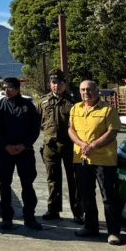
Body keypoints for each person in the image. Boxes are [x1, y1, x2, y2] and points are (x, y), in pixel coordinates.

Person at [69, 80, 123, 245]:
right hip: (81, 158)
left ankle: (113, 232)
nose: (86, 92)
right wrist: (81, 144)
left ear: (97, 91)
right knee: (86, 195)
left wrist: (93, 145)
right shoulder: (75, 108)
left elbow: (112, 132)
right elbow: (71, 129)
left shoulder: (108, 109)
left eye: (89, 89)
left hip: (103, 160)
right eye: (83, 90)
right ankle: (90, 226)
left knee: (108, 196)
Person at [0, 77, 42, 231]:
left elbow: (34, 129)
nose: (6, 90)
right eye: (4, 88)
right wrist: (5, 145)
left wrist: (24, 145)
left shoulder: (28, 106)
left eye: (9, 87)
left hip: (24, 151)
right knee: (4, 185)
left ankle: (29, 217)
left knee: (27, 184)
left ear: (18, 89)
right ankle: (7, 218)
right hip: (5, 151)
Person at [37, 69, 83, 223]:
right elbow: (35, 123)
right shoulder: (43, 102)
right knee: (53, 179)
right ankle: (53, 210)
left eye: (59, 83)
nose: (56, 86)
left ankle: (78, 212)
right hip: (50, 146)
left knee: (74, 179)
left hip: (70, 146)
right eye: (53, 83)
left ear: (65, 84)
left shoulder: (75, 102)